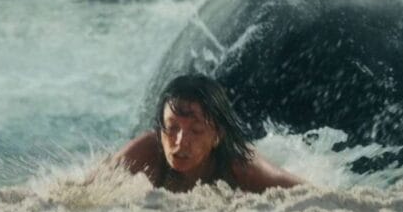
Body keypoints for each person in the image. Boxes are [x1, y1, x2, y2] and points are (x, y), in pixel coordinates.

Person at [110, 74, 302, 193]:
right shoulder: (148, 151)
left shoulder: (241, 167)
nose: (180, 141)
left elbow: (309, 194)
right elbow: (88, 190)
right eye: (172, 127)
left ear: (217, 135)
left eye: (196, 130)